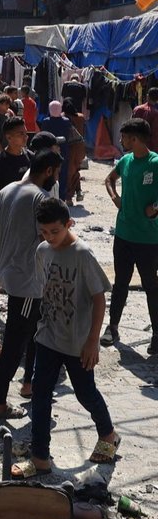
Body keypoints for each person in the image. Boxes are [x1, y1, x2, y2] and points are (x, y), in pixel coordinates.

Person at [11, 198, 119, 480]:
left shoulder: (83, 254)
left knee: (85, 393)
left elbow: (99, 299)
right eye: (44, 232)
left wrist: (93, 340)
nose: (49, 238)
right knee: (40, 394)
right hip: (48, 336)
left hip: (78, 341)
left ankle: (108, 434)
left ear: (69, 224)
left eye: (54, 232)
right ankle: (40, 457)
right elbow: (42, 291)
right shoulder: (43, 251)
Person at [0, 149, 63, 419]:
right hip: (28, 282)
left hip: (8, 274)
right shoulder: (40, 198)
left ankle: (29, 384)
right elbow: (49, 240)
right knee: (15, 343)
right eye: (57, 173)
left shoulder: (5, 191)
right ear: (49, 171)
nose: (56, 178)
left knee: (33, 333)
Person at [101, 118, 158, 353]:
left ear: (134, 139)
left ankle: (157, 333)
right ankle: (113, 327)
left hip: (148, 238)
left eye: (124, 137)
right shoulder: (125, 160)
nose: (121, 141)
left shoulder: (155, 163)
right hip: (123, 235)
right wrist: (115, 198)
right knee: (120, 283)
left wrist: (155, 207)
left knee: (151, 286)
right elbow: (109, 179)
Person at [0, 117, 32, 205]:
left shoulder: (31, 157)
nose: (26, 137)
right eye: (21, 134)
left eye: (26, 133)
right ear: (9, 137)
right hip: (5, 215)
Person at [40, 100, 71, 201]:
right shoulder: (66, 121)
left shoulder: (45, 121)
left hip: (49, 152)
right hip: (63, 151)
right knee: (63, 174)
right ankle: (61, 198)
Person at [62, 97, 86, 205]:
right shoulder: (81, 117)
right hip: (80, 148)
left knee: (68, 172)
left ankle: (69, 197)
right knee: (75, 171)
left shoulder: (63, 118)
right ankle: (78, 192)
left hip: (69, 147)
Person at [132, 86, 158, 151]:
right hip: (148, 147)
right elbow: (155, 134)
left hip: (135, 143)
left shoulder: (136, 109)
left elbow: (130, 127)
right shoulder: (155, 113)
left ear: (147, 96)